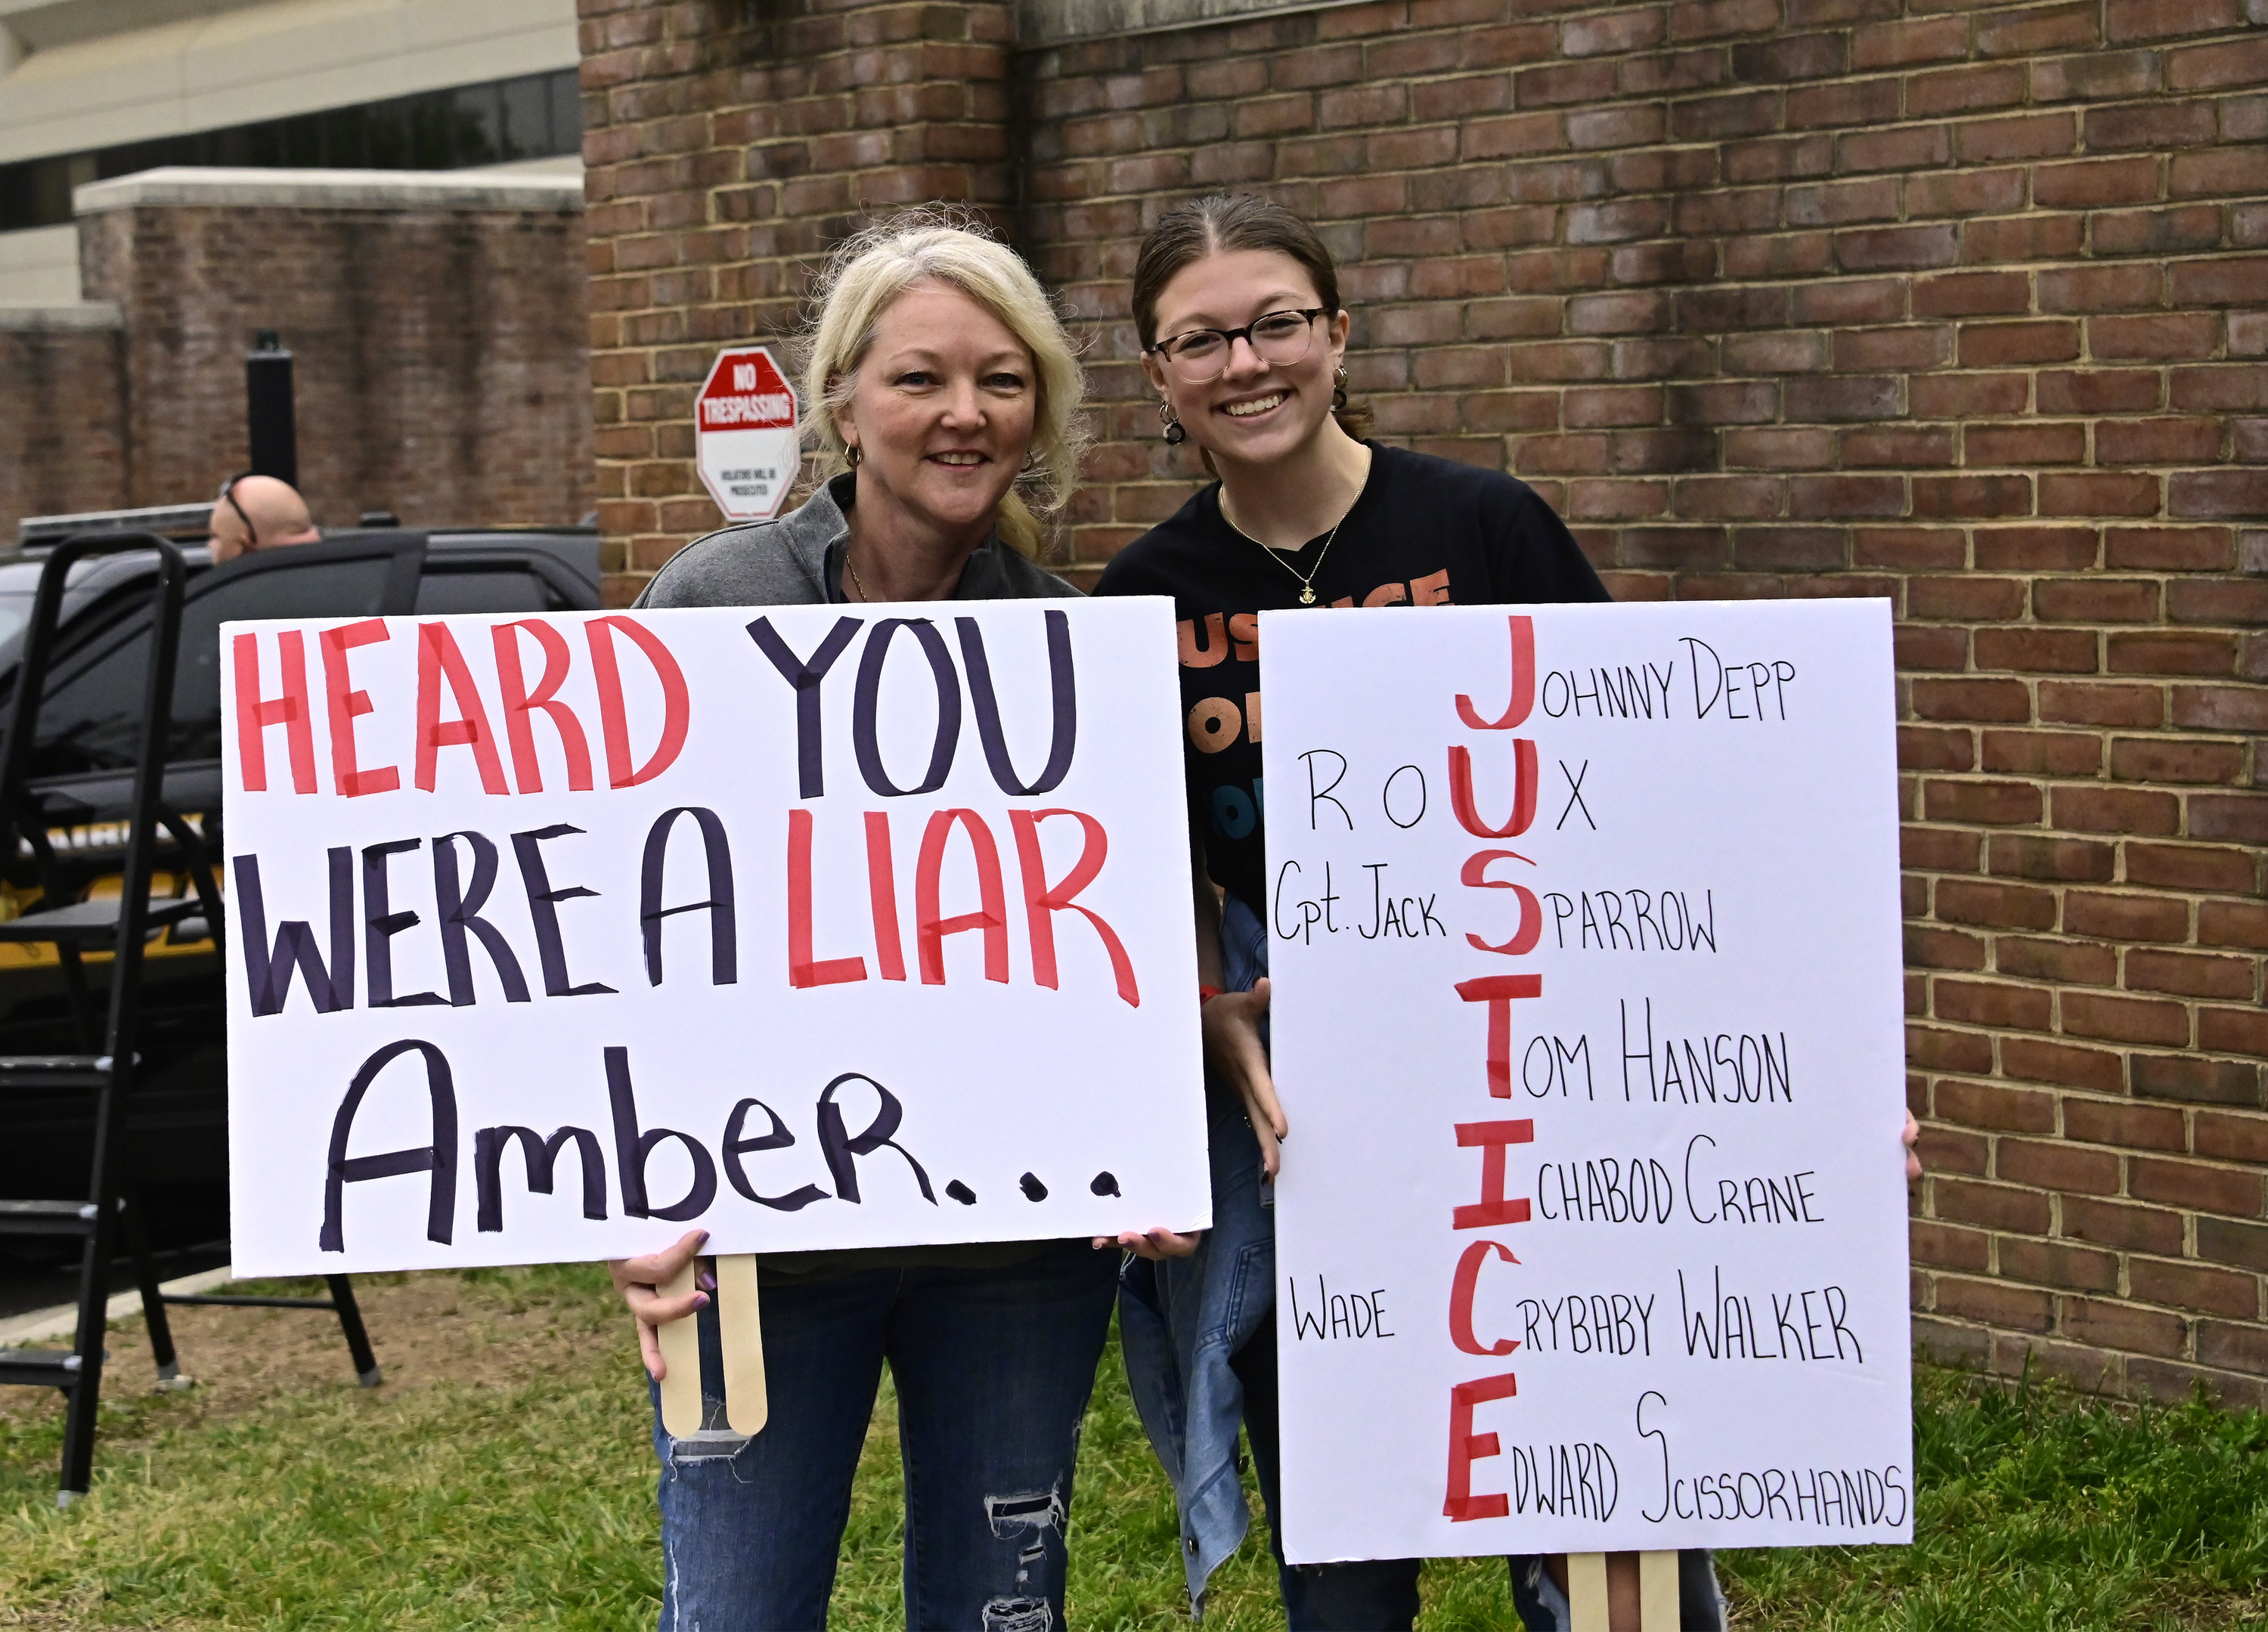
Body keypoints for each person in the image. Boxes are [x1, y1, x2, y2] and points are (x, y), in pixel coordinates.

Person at [1095, 193, 1924, 1632]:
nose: (1246, 362)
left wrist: (1827, 1100)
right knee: (1346, 1578)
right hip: (1324, 1134)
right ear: (1157, 374)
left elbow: (1669, 810)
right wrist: (1211, 1010)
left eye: (1277, 322)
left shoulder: (1480, 522)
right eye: (1201, 339)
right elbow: (1139, 863)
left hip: (1553, 1084)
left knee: (1610, 1561)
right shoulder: (1145, 597)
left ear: (1339, 335)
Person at [606, 210, 1185, 1632]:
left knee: (1002, 1606)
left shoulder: (1071, 642)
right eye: (922, 375)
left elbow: (1117, 934)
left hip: (1015, 1253)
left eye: (1002, 377)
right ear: (844, 401)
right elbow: (626, 924)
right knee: (735, 1607)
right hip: (755, 1234)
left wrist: (1144, 1129)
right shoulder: (708, 603)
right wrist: (627, 1187)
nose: (965, 411)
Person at [206, 472, 321, 562]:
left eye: (216, 536)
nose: (209, 545)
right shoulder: (334, 577)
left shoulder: (226, 590)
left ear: (244, 548)